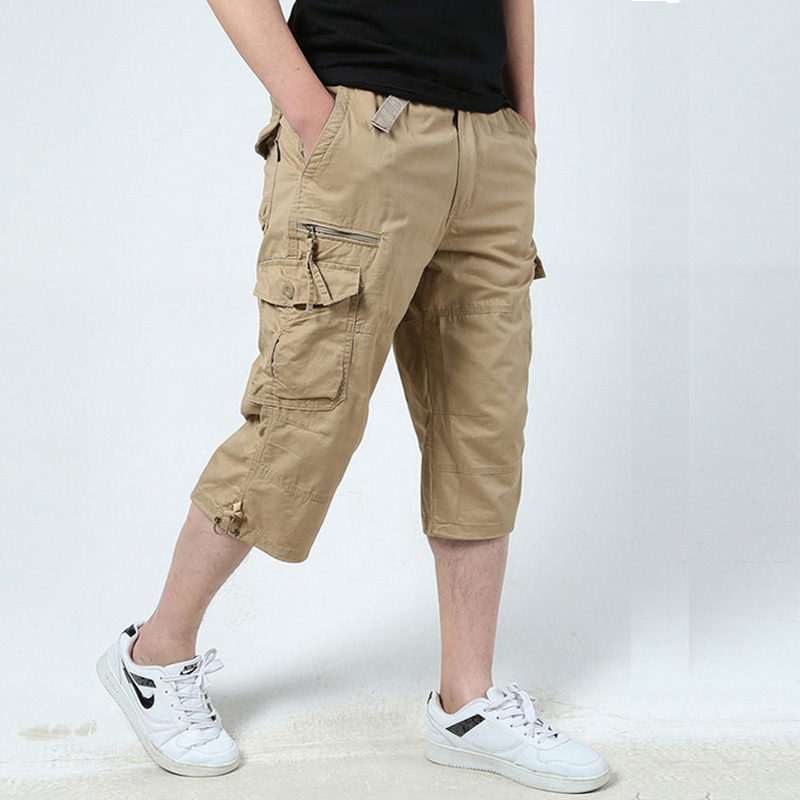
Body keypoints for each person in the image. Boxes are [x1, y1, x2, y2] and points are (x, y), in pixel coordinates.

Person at [96, 0, 611, 793]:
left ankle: (467, 704)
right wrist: (313, 115)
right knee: (302, 420)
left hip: (490, 146)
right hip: (362, 129)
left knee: (483, 431)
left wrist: (521, 120)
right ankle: (154, 656)